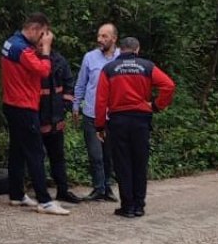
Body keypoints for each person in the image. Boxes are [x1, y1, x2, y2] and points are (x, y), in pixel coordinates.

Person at [94, 37, 175, 219]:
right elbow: (169, 85)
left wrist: (99, 126)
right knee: (139, 162)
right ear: (137, 49)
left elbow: (100, 100)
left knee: (123, 164)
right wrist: (157, 105)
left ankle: (127, 207)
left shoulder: (109, 69)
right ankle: (139, 206)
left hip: (118, 121)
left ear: (120, 49)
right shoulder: (147, 66)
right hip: (141, 120)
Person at [0, 13, 69, 216]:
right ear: (33, 29)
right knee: (35, 153)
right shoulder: (23, 50)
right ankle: (45, 201)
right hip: (24, 106)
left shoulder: (11, 42)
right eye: (42, 35)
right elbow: (44, 70)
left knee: (17, 151)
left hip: (11, 104)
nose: (42, 39)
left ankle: (16, 194)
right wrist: (46, 49)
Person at [72, 23, 120, 202]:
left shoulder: (122, 58)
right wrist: (76, 105)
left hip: (113, 115)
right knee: (95, 154)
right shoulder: (90, 57)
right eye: (99, 36)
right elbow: (81, 83)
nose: (100, 39)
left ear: (114, 38)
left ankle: (107, 188)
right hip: (91, 113)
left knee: (109, 155)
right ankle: (98, 188)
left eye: (104, 36)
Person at [38, 33, 83, 205]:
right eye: (39, 44)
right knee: (37, 158)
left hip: (56, 118)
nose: (41, 46)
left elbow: (68, 85)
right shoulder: (32, 61)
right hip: (37, 118)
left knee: (58, 157)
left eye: (44, 43)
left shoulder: (60, 61)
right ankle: (41, 193)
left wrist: (64, 107)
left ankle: (62, 191)